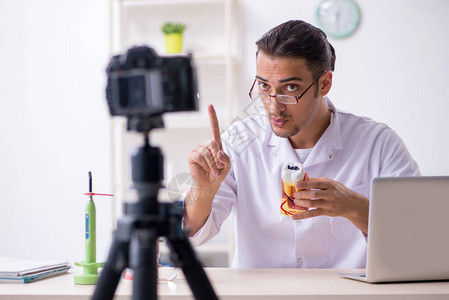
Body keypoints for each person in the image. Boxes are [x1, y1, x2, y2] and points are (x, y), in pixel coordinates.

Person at [183, 20, 420, 268]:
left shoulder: (378, 143)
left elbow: (417, 238)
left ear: (325, 83)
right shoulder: (239, 140)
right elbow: (189, 234)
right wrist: (203, 190)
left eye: (291, 87)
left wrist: (353, 207)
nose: (274, 106)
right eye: (264, 86)